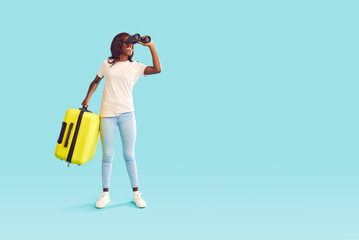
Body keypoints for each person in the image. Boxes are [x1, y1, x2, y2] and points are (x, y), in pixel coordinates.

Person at [81, 32, 161, 209]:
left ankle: (136, 194)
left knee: (129, 155)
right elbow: (96, 81)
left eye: (132, 45)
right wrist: (87, 97)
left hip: (127, 115)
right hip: (107, 115)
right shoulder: (107, 63)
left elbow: (157, 69)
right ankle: (105, 194)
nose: (131, 46)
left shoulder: (136, 67)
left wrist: (151, 46)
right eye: (127, 43)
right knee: (107, 156)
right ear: (118, 45)